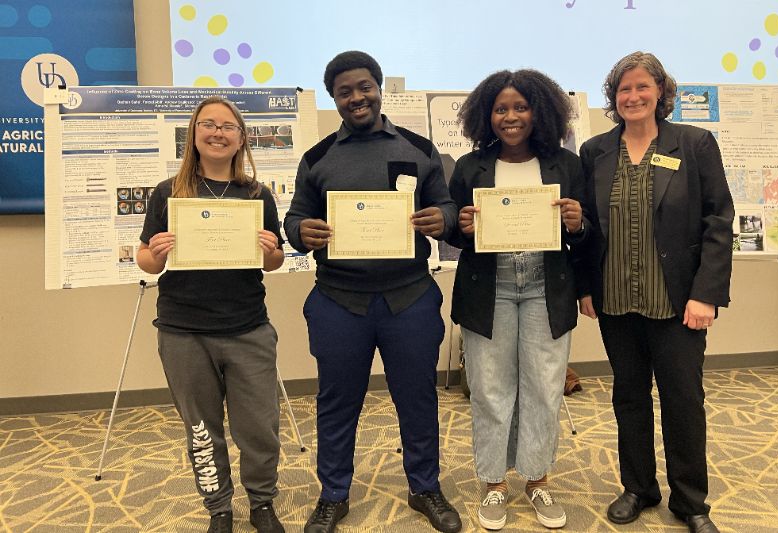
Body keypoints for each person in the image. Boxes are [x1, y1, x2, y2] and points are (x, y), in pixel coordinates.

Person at [284, 51, 462, 533]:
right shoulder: (317, 157)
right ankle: (333, 494)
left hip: (409, 298)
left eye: (364, 87)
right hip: (339, 302)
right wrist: (303, 232)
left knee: (418, 398)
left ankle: (425, 487)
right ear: (334, 99)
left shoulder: (420, 148)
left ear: (379, 88)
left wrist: (441, 218)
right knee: (337, 402)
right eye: (344, 91)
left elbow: (446, 206)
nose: (356, 97)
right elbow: (293, 218)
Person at [578, 52, 734, 533]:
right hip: (617, 299)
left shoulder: (695, 143)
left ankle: (690, 501)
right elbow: (585, 226)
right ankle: (638, 488)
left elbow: (718, 222)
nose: (633, 97)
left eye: (643, 87)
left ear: (661, 92)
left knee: (683, 400)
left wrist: (706, 294)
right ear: (614, 97)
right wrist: (585, 287)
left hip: (677, 302)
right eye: (624, 89)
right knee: (629, 397)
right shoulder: (596, 152)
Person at [447, 70, 591, 530]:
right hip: (489, 283)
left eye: (521, 107)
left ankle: (536, 479)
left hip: (545, 284)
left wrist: (577, 223)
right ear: (486, 115)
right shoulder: (470, 166)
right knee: (490, 389)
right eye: (501, 108)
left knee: (544, 387)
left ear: (540, 112)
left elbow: (589, 235)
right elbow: (453, 231)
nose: (511, 117)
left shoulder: (565, 165)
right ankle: (493, 484)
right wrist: (462, 227)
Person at [137, 96, 286, 533]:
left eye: (228, 126)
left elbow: (272, 263)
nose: (217, 132)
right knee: (202, 429)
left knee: (259, 427)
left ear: (241, 138)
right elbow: (147, 260)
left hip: (247, 327)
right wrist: (156, 253)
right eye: (208, 124)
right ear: (193, 134)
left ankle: (262, 502)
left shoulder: (257, 194)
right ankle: (218, 507)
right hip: (184, 331)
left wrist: (270, 251)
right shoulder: (170, 192)